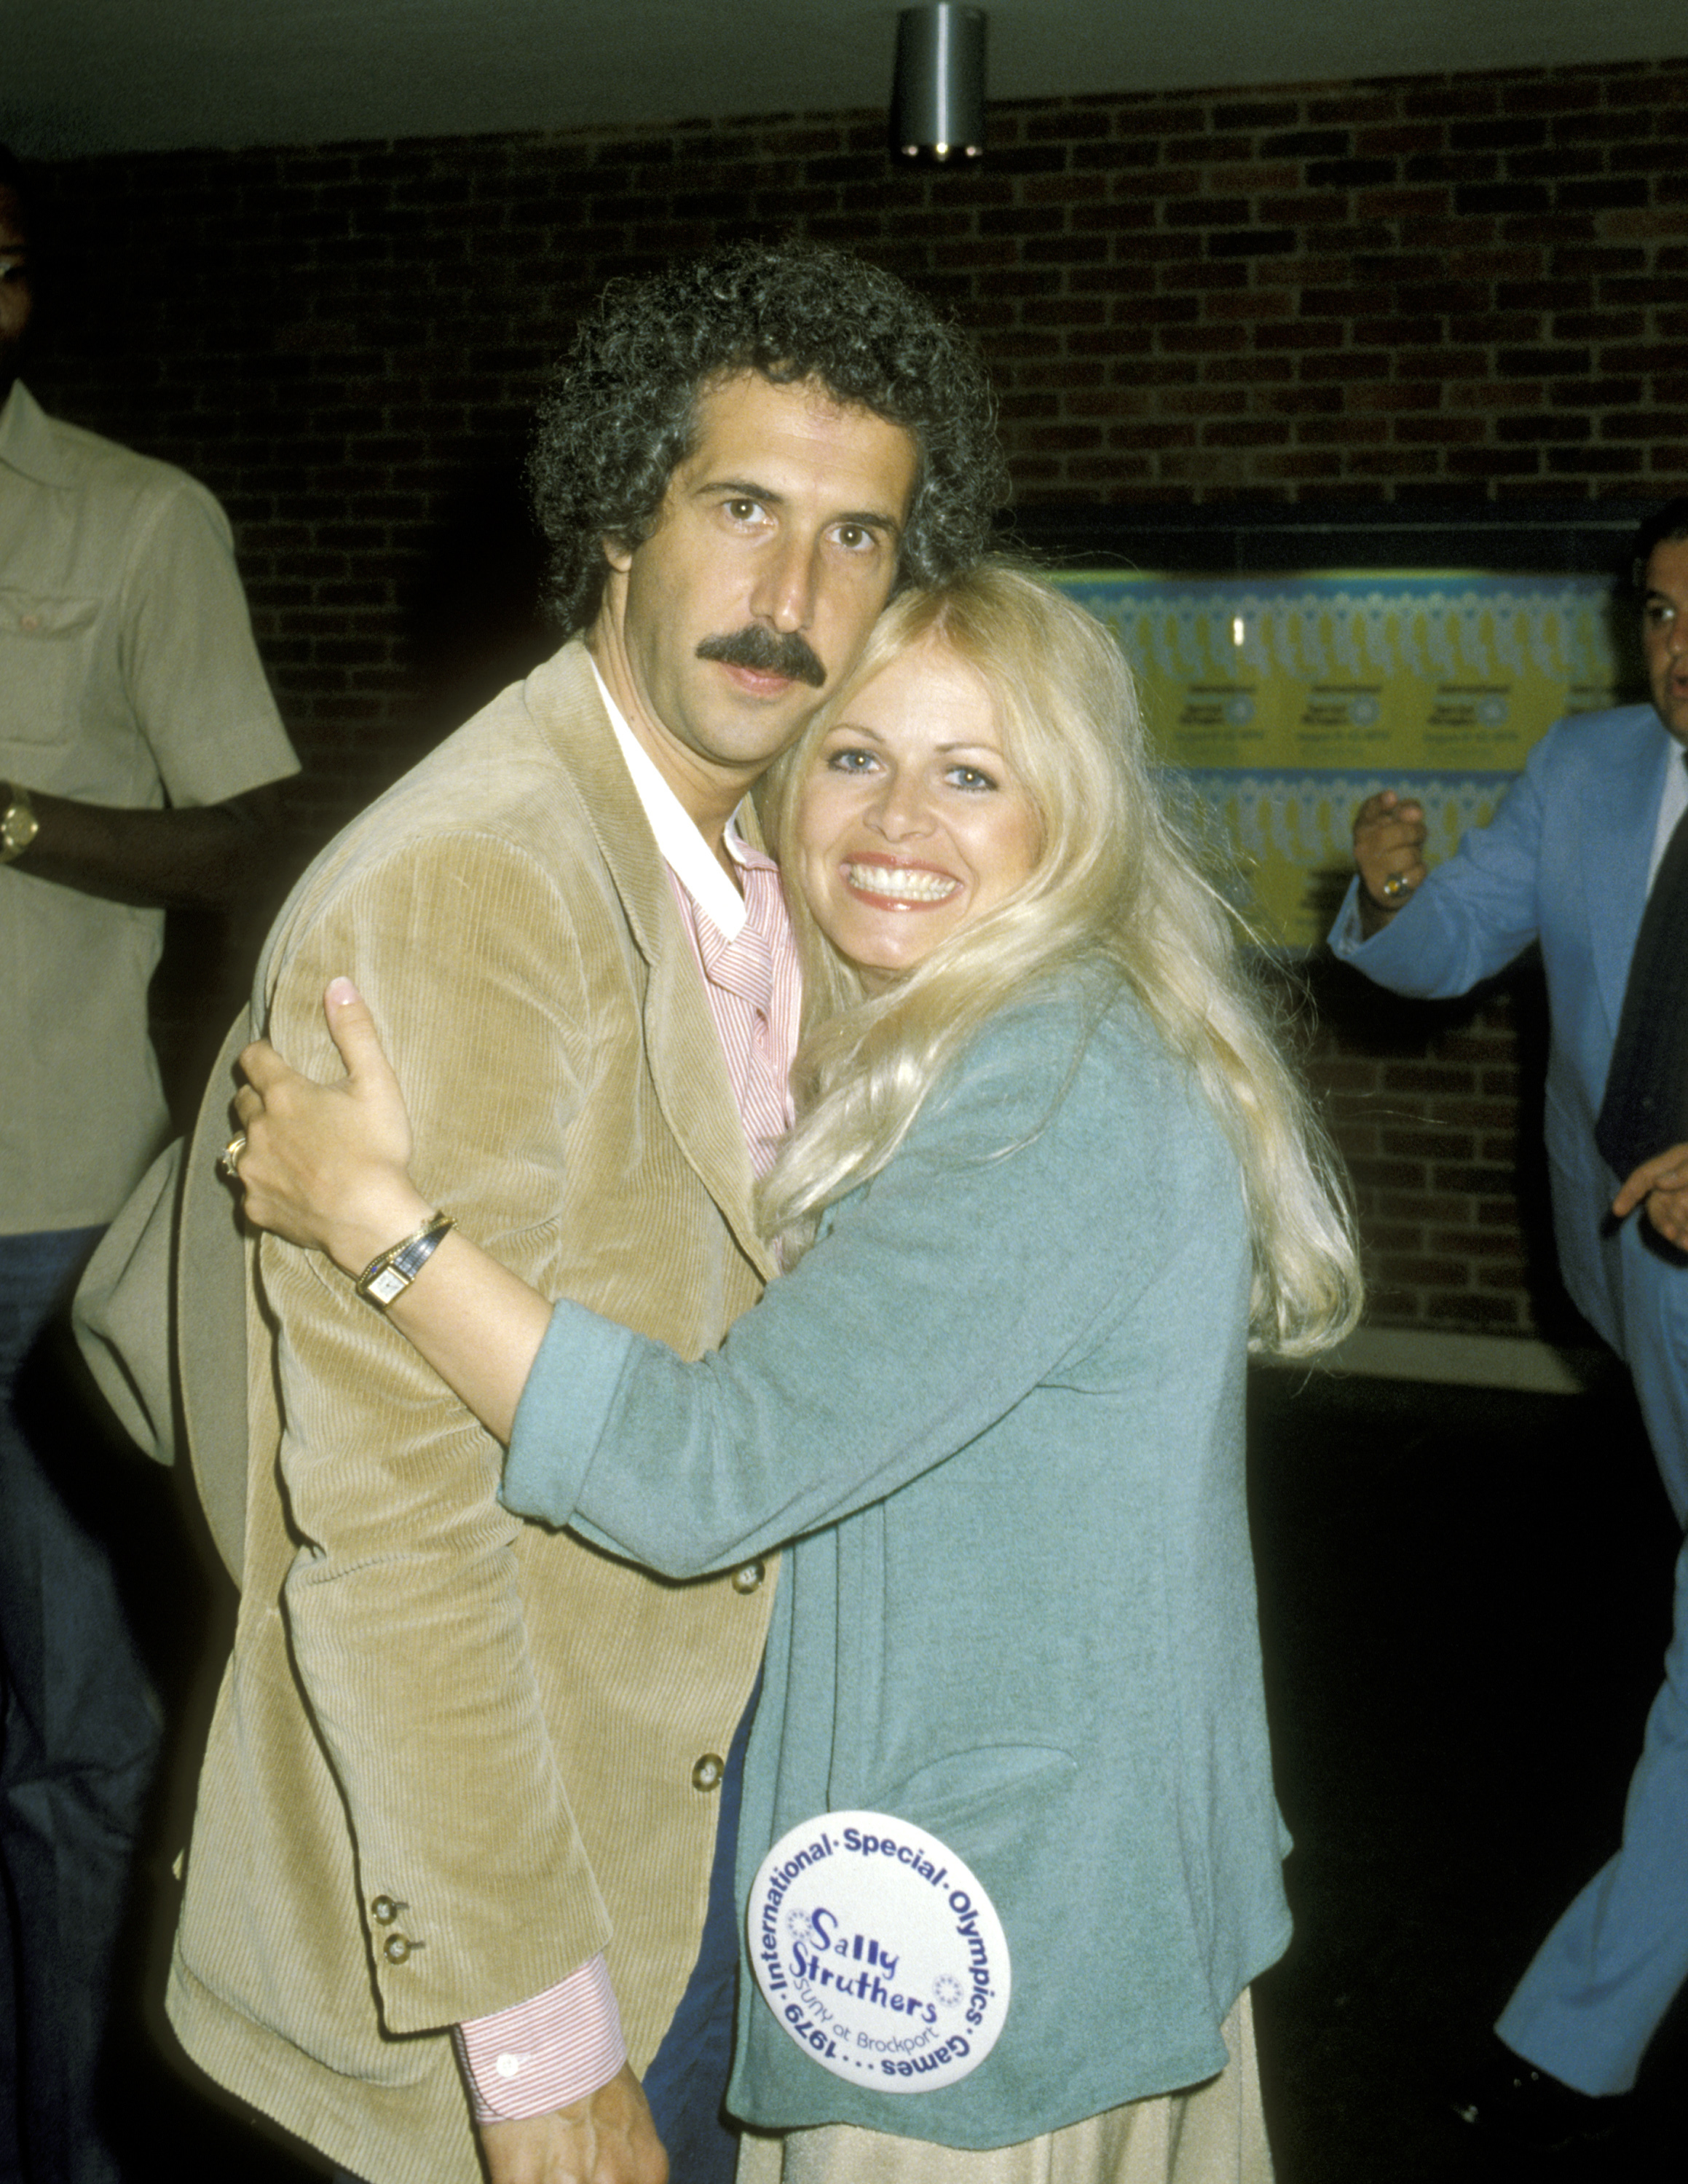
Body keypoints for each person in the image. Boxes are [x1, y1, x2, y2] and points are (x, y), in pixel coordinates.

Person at [226, 563, 1362, 2182]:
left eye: (972, 774)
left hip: (986, 1933)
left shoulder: (1049, 1088)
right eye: (853, 756)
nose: (899, 816)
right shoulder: (969, 1037)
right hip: (1040, 1874)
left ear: (1075, 816)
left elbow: (708, 1473)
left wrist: (384, 1230)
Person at [133, 242, 1006, 2184]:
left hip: (702, 1820)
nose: (789, 599)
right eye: (742, 510)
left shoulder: (753, 841)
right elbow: (389, 1523)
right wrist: (536, 2046)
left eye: (853, 540)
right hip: (552, 1909)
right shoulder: (478, 889)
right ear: (622, 514)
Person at [0, 146, 299, 2184]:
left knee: (74, 1758)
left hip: (41, 1220)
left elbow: (257, 833)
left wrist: (13, 816)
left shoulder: (131, 520)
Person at [1331, 498, 1688, 2152]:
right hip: (1645, 1278)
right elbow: (1449, 946)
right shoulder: (1591, 766)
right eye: (1663, 614)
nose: (1678, 652)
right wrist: (1393, 901)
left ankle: (1571, 2034)